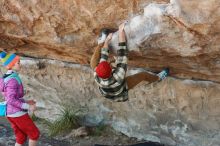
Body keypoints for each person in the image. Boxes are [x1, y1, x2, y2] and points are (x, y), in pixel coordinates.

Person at [90, 22, 169, 102]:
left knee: (92, 63)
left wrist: (106, 41)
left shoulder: (96, 73)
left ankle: (101, 43)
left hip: (106, 89)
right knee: (143, 75)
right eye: (109, 65)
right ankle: (158, 78)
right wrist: (121, 31)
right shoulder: (118, 75)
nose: (106, 62)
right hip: (120, 89)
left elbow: (103, 57)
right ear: (111, 70)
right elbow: (122, 52)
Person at [0, 51, 40, 146]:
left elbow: (12, 97)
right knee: (34, 134)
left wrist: (26, 101)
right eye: (18, 62)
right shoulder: (13, 80)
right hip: (17, 113)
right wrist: (28, 106)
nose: (19, 64)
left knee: (21, 137)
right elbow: (11, 99)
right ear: (12, 64)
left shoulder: (6, 77)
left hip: (10, 113)